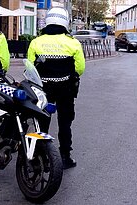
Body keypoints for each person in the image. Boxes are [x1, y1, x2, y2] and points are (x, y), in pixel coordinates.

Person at [27, 7, 85, 169]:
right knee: (65, 123)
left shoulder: (36, 42)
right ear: (65, 22)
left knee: (42, 123)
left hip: (42, 90)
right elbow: (80, 68)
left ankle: (41, 157)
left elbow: (30, 68)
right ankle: (65, 157)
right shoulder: (73, 43)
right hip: (66, 89)